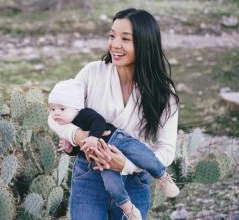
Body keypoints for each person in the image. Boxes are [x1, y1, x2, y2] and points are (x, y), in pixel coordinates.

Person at [47, 8, 179, 220]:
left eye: (125, 39)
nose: (114, 45)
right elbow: (55, 115)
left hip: (135, 182)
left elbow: (167, 150)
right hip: (90, 174)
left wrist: (127, 165)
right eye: (111, 36)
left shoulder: (164, 94)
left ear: (145, 43)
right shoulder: (92, 72)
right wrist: (79, 137)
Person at [48, 79, 179, 220]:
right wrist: (69, 148)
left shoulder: (84, 114)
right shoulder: (69, 127)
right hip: (102, 162)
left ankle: (162, 176)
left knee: (143, 155)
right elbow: (79, 150)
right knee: (113, 186)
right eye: (52, 109)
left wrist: (92, 137)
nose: (56, 113)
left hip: (118, 140)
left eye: (62, 109)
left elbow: (99, 121)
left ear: (75, 107)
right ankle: (129, 210)